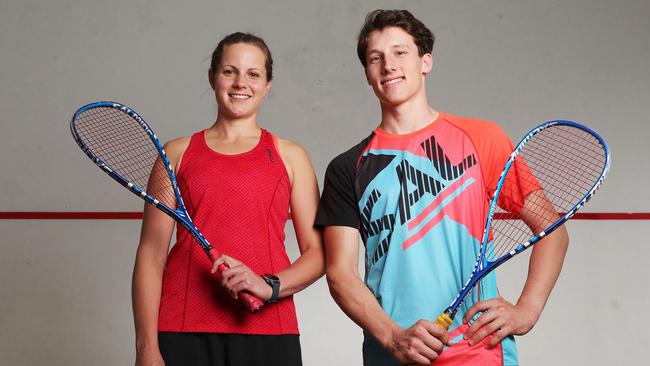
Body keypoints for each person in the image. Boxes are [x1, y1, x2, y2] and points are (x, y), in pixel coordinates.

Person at [316, 9, 569, 366]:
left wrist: (526, 310)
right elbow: (340, 273)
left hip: (479, 353)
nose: (389, 64)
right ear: (368, 74)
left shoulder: (483, 139)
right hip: (392, 353)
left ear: (425, 61)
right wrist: (392, 337)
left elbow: (553, 232)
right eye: (376, 58)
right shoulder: (347, 167)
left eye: (400, 52)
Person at [132, 32, 324, 366]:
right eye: (229, 71)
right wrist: (146, 348)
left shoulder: (290, 156)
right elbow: (151, 255)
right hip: (182, 330)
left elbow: (319, 254)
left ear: (268, 84)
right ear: (212, 77)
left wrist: (269, 286)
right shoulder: (176, 154)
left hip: (269, 331)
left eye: (253, 74)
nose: (241, 83)